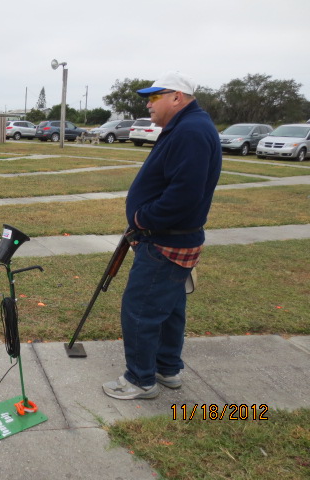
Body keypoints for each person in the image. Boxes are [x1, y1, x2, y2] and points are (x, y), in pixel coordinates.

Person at [102, 71, 222, 400]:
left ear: (177, 98)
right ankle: (167, 368)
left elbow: (184, 194)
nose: (148, 104)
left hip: (165, 240)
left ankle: (140, 380)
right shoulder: (187, 126)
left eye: (154, 97)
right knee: (169, 309)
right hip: (167, 238)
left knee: (140, 309)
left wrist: (143, 218)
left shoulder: (192, 130)